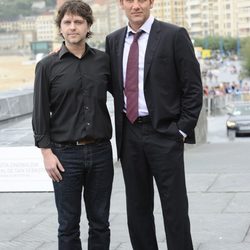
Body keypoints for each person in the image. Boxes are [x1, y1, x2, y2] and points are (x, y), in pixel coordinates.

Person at [105, 0, 203, 249]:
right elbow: (104, 78)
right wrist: (60, 55)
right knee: (137, 209)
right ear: (121, 4)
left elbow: (192, 87)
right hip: (129, 133)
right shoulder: (113, 40)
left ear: (151, 2)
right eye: (129, 0)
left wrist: (180, 130)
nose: (135, 5)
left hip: (165, 133)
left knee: (175, 208)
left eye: (141, 0)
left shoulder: (173, 35)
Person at [32, 1, 113, 249]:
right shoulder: (47, 66)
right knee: (68, 225)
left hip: (100, 152)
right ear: (60, 28)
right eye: (67, 22)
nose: (72, 27)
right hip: (65, 155)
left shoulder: (103, 61)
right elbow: (40, 114)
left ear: (88, 26)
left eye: (78, 22)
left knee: (100, 222)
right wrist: (46, 154)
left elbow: (126, 95)